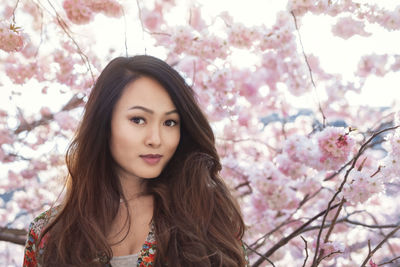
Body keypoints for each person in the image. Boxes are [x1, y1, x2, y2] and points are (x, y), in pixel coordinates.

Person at [23, 55, 249, 266]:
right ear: (104, 123)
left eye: (170, 122)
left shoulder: (207, 216)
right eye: (138, 120)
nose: (155, 139)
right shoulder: (50, 234)